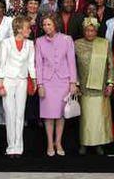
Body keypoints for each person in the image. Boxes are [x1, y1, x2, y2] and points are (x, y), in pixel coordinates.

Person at [35, 14, 78, 156]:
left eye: (49, 24)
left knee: (60, 114)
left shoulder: (67, 39)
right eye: (44, 25)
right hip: (47, 82)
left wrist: (73, 83)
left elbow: (71, 62)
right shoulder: (39, 41)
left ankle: (58, 142)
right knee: (48, 115)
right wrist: (40, 84)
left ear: (55, 24)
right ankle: (49, 143)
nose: (46, 27)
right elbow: (38, 65)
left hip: (63, 81)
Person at [0, 16, 36, 157]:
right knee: (10, 113)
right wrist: (0, 84)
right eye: (27, 28)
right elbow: (1, 64)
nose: (30, 30)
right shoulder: (6, 43)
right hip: (8, 79)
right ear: (19, 28)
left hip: (22, 80)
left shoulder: (30, 44)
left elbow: (31, 64)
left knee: (20, 114)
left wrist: (35, 80)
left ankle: (19, 147)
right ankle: (11, 147)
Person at [75, 17, 114, 155]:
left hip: (101, 87)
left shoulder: (104, 43)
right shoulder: (77, 44)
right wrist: (76, 84)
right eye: (87, 30)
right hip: (83, 87)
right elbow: (72, 65)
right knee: (86, 118)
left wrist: (110, 84)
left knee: (99, 118)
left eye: (92, 30)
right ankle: (84, 143)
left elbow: (111, 66)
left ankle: (99, 144)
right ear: (83, 31)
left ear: (96, 31)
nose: (90, 33)